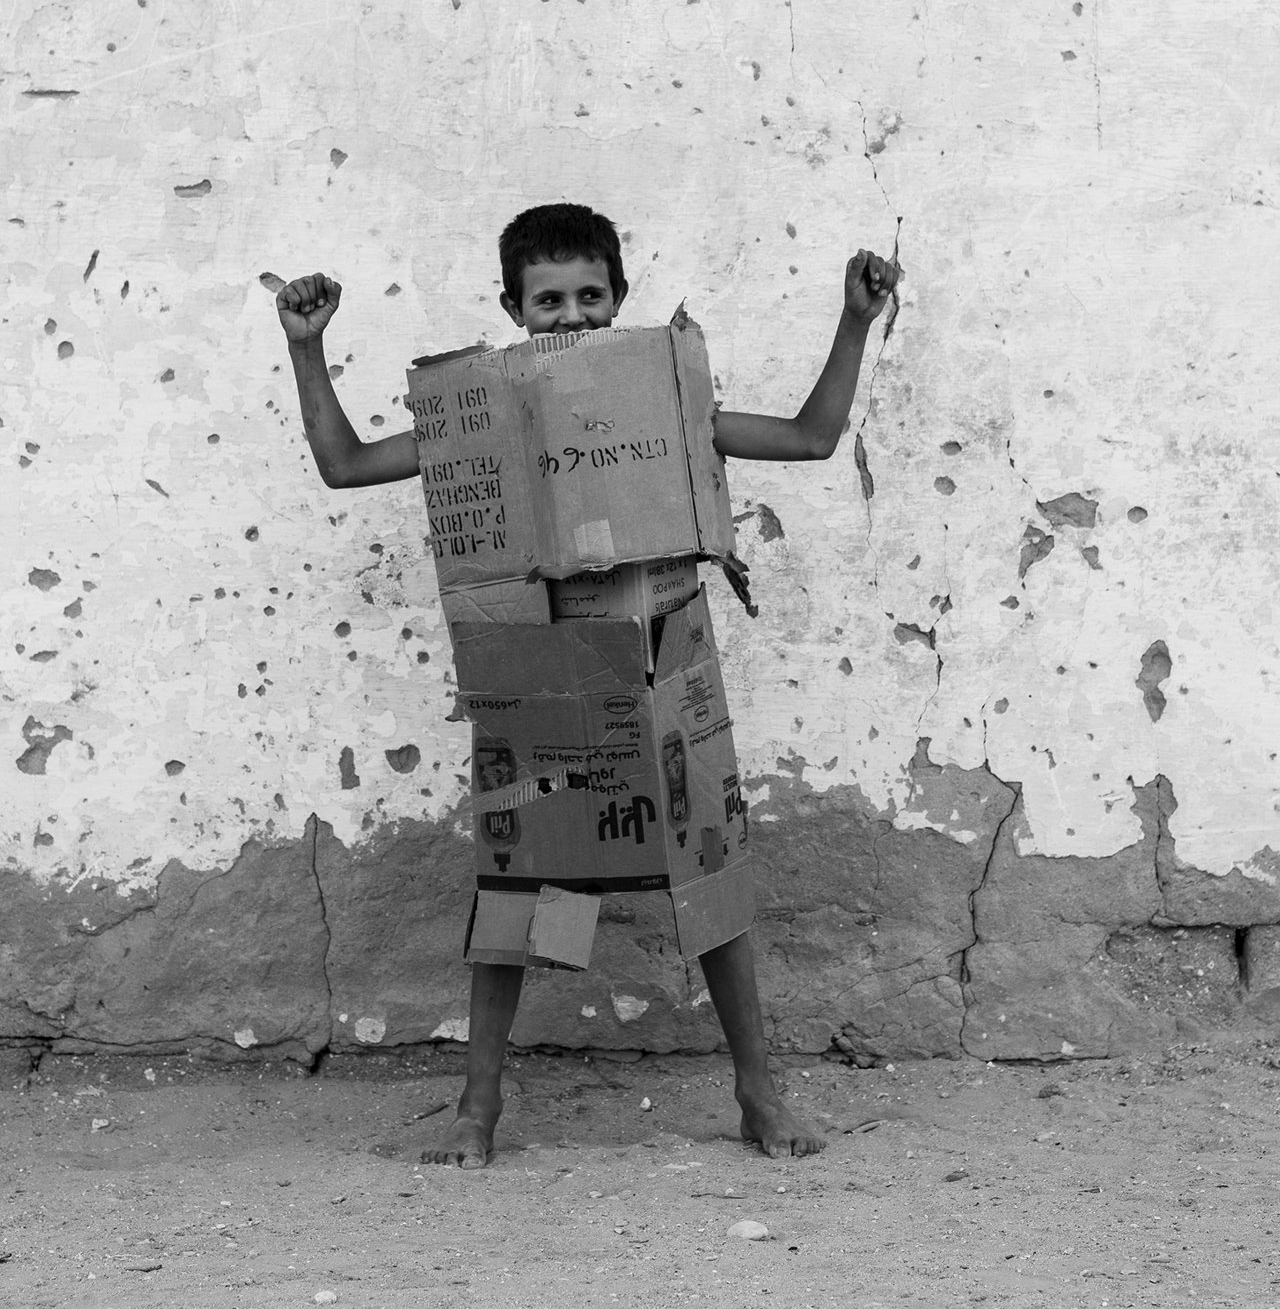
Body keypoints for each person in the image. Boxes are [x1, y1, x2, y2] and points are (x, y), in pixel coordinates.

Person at [277, 203, 900, 1167]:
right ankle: (477, 1108)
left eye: (591, 295)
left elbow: (815, 438)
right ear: (512, 308)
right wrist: (308, 349)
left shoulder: (666, 405)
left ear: (621, 298)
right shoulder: (481, 418)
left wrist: (854, 322)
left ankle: (757, 1092)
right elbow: (346, 464)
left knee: (709, 880)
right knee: (526, 884)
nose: (572, 314)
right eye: (549, 299)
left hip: (665, 662)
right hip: (544, 675)